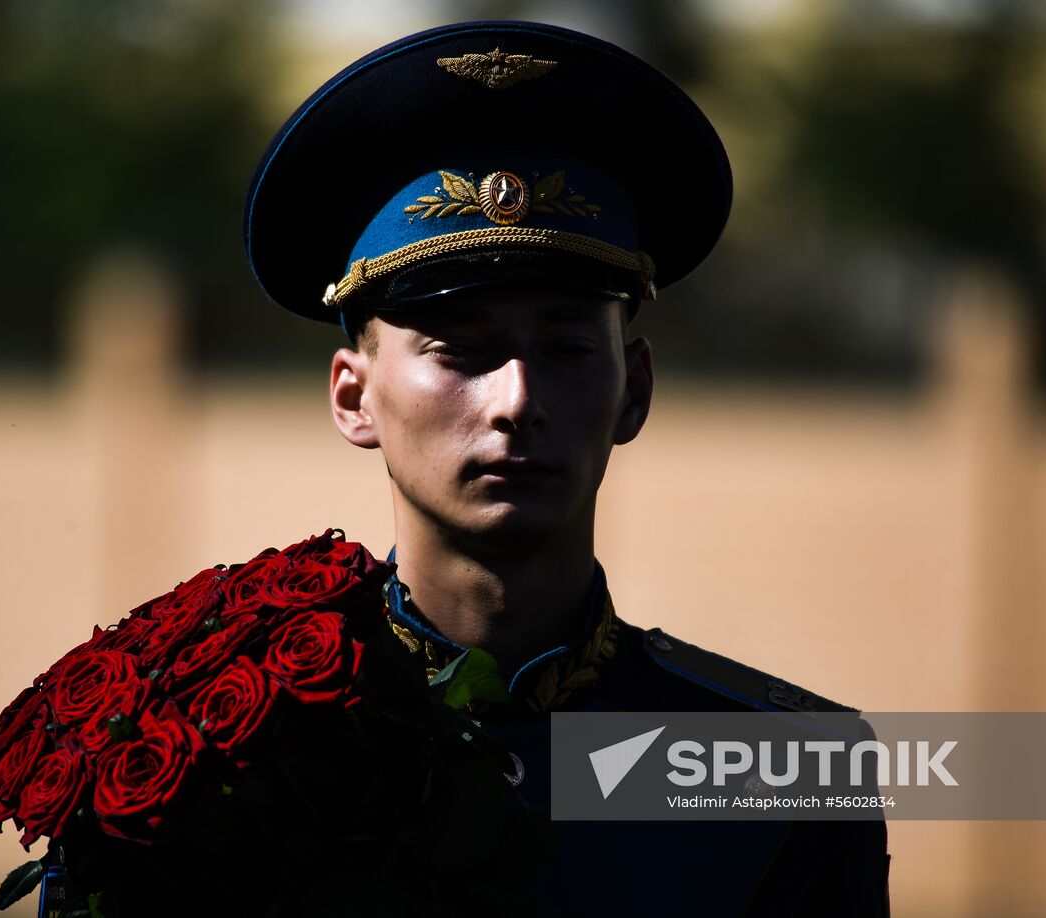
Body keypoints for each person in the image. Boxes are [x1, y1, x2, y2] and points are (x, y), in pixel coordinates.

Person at [244, 20, 890, 915]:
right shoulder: (216, 752)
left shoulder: (785, 774)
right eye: (460, 351)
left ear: (635, 391)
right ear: (355, 398)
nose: (517, 398)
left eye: (567, 347)